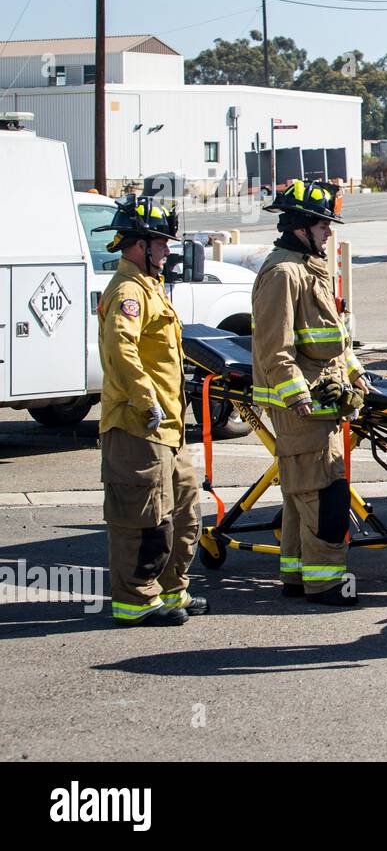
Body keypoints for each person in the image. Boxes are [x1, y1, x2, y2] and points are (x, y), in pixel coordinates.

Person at [252, 179, 369, 607]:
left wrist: (354, 371)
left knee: (301, 492)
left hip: (323, 401)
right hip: (304, 407)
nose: (329, 232)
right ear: (301, 227)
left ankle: (297, 576)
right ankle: (325, 584)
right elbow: (273, 347)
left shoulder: (309, 269)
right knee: (322, 493)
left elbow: (331, 339)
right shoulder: (284, 273)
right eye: (323, 225)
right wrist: (297, 397)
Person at [94, 195, 208, 625]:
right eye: (160, 243)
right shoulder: (127, 291)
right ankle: (135, 601)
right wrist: (147, 401)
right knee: (142, 518)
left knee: (183, 510)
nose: (167, 250)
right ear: (139, 246)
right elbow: (121, 351)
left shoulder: (151, 288)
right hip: (138, 426)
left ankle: (171, 591)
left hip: (168, 430)